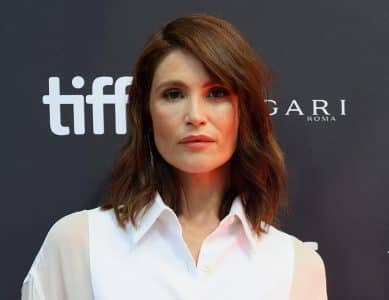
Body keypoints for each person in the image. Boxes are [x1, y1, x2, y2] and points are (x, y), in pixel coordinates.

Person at [21, 13, 328, 300]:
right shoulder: (78, 244)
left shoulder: (296, 264)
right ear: (146, 113)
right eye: (173, 94)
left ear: (244, 111)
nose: (195, 115)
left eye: (217, 93)